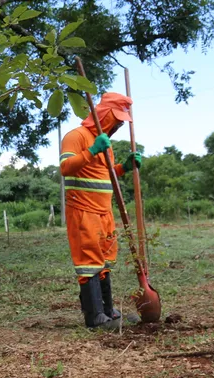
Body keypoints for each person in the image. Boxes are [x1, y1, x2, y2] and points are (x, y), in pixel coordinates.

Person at [58, 92, 143, 330]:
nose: (118, 125)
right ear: (103, 115)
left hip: (104, 212)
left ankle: (108, 312)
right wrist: (92, 150)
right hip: (83, 209)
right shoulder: (76, 136)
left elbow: (104, 175)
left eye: (121, 122)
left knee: (105, 261)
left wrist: (124, 167)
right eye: (116, 120)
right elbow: (65, 167)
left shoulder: (107, 143)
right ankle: (94, 317)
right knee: (89, 261)